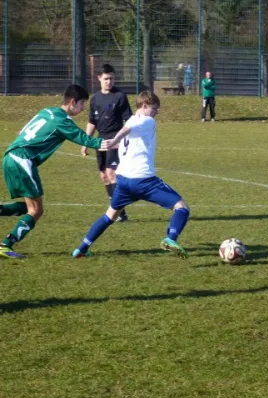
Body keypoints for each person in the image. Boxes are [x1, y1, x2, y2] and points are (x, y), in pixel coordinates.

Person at [72, 91, 190, 259]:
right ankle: (171, 239)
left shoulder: (132, 119)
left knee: (109, 216)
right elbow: (127, 130)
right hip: (143, 180)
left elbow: (126, 137)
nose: (157, 112)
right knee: (182, 208)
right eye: (155, 108)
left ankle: (81, 248)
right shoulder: (147, 121)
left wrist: (109, 144)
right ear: (144, 106)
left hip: (123, 181)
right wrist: (113, 141)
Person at [0, 85, 111, 259]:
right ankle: (5, 245)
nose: (82, 109)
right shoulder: (63, 121)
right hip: (23, 160)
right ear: (73, 102)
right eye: (82, 104)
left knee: (30, 207)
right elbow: (85, 139)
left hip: (10, 157)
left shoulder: (48, 111)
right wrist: (110, 143)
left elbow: (23, 130)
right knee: (36, 210)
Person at [82, 63, 133, 221]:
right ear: (99, 78)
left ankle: (118, 212)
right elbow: (92, 122)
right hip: (100, 140)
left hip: (115, 139)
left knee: (112, 174)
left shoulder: (120, 96)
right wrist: (85, 142)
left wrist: (121, 140)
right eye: (106, 79)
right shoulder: (95, 98)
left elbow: (129, 121)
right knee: (104, 175)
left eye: (111, 78)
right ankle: (120, 213)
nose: (109, 82)